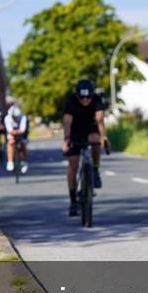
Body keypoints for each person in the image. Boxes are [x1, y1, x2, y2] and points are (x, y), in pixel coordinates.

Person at [62, 78, 108, 216]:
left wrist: (104, 137)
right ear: (77, 94)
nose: (85, 100)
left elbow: (100, 121)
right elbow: (67, 122)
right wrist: (66, 139)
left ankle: (95, 169)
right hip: (74, 132)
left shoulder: (97, 99)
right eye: (82, 97)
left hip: (90, 129)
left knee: (95, 140)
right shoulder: (71, 100)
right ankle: (73, 201)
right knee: (73, 165)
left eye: (88, 96)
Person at [4, 106, 29, 173]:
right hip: (12, 132)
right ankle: (10, 161)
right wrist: (14, 133)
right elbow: (9, 130)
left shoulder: (23, 117)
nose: (15, 118)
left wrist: (18, 132)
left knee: (24, 144)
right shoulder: (7, 118)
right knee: (11, 142)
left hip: (22, 133)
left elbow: (23, 129)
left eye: (16, 117)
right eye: (13, 117)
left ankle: (24, 162)